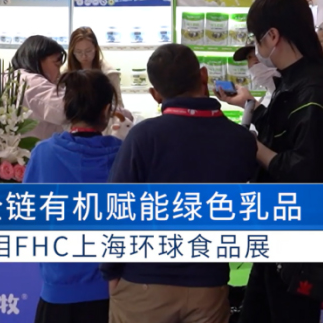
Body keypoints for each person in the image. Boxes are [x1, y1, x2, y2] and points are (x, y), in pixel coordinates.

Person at [219, 0, 323, 323]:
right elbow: (290, 133)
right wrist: (252, 108)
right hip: (284, 228)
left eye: (257, 40)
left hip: (298, 234)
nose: (257, 49)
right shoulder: (304, 81)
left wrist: (251, 145)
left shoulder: (313, 91)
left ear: (272, 36)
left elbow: (304, 170)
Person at [104, 44, 257, 323]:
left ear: (155, 94)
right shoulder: (241, 140)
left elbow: (116, 210)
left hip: (144, 281)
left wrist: (111, 272)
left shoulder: (142, 137)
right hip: (209, 283)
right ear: (203, 75)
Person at [25, 70, 122, 323]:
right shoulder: (123, 155)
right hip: (111, 295)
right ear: (107, 110)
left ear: (67, 107)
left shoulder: (43, 153)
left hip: (58, 293)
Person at [13, 35, 68, 141]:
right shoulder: (32, 82)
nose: (59, 73)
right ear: (38, 59)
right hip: (35, 150)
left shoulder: (8, 77)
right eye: (57, 65)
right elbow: (67, 109)